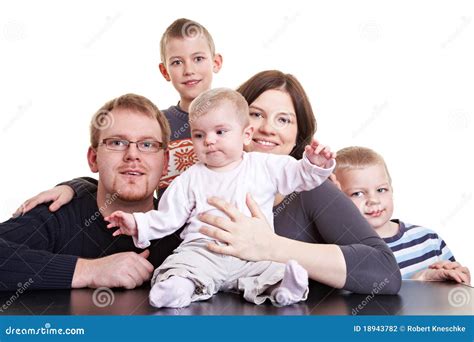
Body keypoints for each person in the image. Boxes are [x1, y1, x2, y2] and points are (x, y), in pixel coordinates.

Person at [15, 70, 402, 295]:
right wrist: (79, 185)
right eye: (255, 115)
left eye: (284, 119)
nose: (265, 129)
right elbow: (141, 189)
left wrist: (271, 246)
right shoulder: (193, 184)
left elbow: (383, 269)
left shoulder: (312, 187)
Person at [105, 88, 336, 308]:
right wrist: (137, 223)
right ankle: (177, 288)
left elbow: (299, 176)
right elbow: (167, 216)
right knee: (180, 266)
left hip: (254, 253)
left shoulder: (265, 166)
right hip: (203, 250)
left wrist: (314, 165)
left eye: (220, 132)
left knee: (274, 269)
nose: (209, 140)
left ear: (246, 134)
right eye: (199, 134)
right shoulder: (189, 178)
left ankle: (283, 289)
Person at [0, 94, 182, 291]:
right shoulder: (58, 215)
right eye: (117, 143)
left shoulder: (185, 228)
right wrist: (88, 271)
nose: (132, 155)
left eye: (147, 145)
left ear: (164, 164)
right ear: (93, 158)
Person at [332, 146, 470, 284]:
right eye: (358, 193)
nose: (374, 200)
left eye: (381, 189)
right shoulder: (340, 255)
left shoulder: (429, 240)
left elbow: (455, 295)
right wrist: (417, 281)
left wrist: (461, 283)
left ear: (392, 190)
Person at [158, 18, 223, 189]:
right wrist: (81, 185)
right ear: (165, 71)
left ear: (216, 63)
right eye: (177, 62)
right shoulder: (156, 123)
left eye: (198, 59)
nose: (189, 71)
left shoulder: (237, 116)